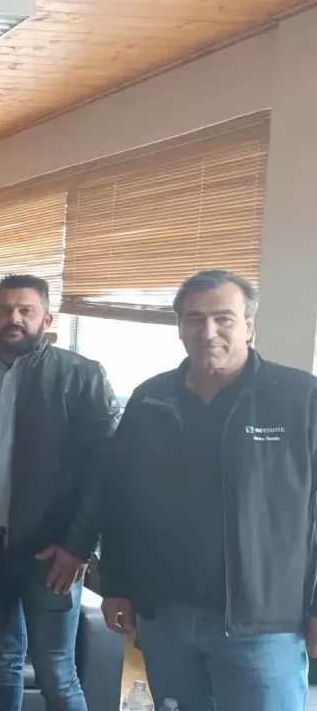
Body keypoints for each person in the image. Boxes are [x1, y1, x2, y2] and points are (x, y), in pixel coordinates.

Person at [100, 270, 317, 711]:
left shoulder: (300, 398)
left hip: (264, 624)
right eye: (195, 319)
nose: (208, 331)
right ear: (179, 327)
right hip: (167, 618)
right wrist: (116, 584)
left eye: (224, 319)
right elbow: (120, 501)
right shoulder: (150, 399)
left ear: (249, 325)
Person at [0, 275, 120, 711]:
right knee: (1, 659)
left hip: (50, 552)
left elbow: (104, 469)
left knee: (56, 671)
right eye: (5, 310)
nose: (15, 319)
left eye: (25, 310)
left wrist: (78, 545)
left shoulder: (81, 375)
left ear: (47, 319)